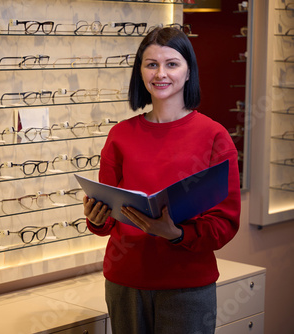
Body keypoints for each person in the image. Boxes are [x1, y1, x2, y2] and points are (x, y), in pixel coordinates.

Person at [83, 26, 241, 334]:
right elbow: (106, 219)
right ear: (140, 71)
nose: (160, 73)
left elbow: (225, 223)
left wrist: (176, 234)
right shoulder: (120, 135)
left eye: (172, 63)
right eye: (151, 64)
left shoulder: (214, 136)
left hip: (187, 286)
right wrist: (96, 217)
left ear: (188, 71)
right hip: (124, 282)